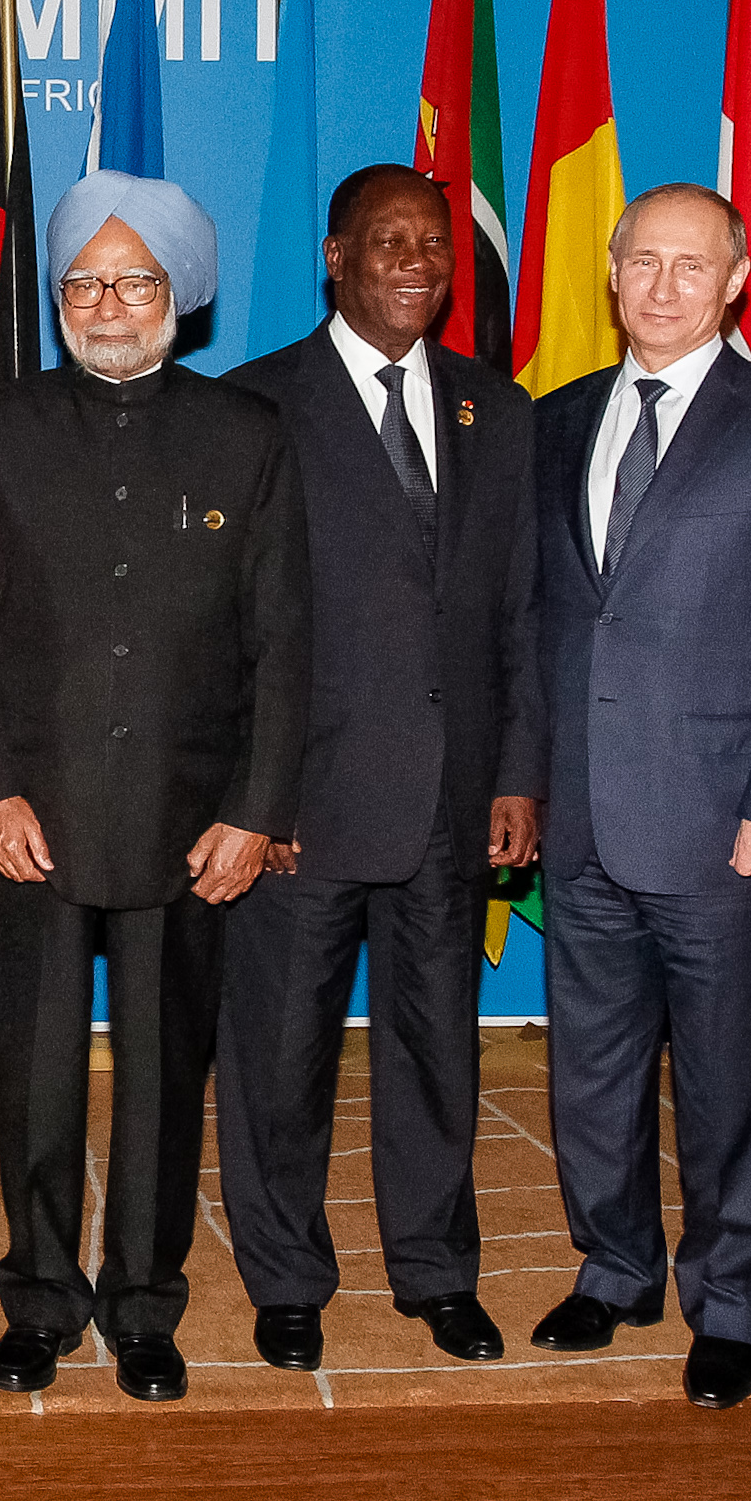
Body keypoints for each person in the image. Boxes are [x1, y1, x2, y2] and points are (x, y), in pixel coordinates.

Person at [0, 171, 308, 1402]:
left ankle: (145, 1305)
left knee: (166, 1081)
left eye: (134, 280)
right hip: (34, 823)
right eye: (84, 282)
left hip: (188, 823)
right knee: (35, 1074)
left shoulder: (249, 434)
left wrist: (254, 814)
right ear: (58, 297)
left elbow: (284, 645)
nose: (108, 304)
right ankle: (42, 1299)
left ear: (178, 296)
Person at [530, 184, 751, 1409]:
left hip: (729, 829)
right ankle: (612, 1266)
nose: (662, 286)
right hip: (579, 823)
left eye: (692, 265)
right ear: (608, 273)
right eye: (641, 262)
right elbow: (543, 627)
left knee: (733, 1079)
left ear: (735, 282)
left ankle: (728, 1302)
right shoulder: (557, 419)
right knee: (591, 1072)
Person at [217, 163, 543, 1373]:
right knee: (280, 1053)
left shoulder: (492, 409)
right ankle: (286, 1275)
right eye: (387, 240)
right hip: (301, 805)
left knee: (435, 1044)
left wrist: (517, 772)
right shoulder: (253, 407)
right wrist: (256, 799)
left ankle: (436, 1267)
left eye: (433, 245)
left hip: (454, 802)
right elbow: (233, 634)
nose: (414, 261)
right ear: (333, 256)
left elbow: (517, 609)